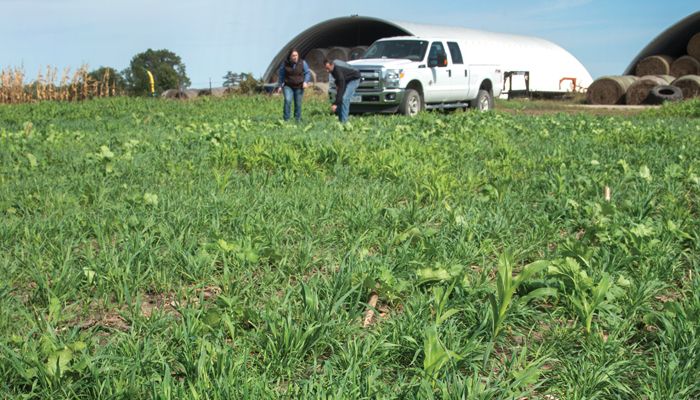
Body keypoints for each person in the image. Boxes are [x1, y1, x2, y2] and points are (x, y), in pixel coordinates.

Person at [275, 49, 312, 122]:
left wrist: (305, 82)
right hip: (288, 86)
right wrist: (280, 86)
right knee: (287, 100)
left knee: (298, 103)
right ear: (290, 56)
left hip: (299, 86)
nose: (295, 57)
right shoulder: (285, 64)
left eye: (296, 55)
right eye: (293, 55)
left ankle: (297, 120)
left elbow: (307, 73)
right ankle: (286, 119)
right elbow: (281, 75)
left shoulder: (303, 63)